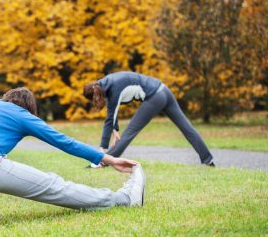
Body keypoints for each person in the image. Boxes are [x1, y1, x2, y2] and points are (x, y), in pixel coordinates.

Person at [0, 87, 146, 225]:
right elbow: (64, 142)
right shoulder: (19, 113)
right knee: (54, 186)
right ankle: (124, 199)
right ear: (28, 109)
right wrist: (109, 158)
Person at [83, 71, 214, 168]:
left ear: (96, 95)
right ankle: (208, 160)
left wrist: (102, 149)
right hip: (164, 90)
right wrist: (115, 129)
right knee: (187, 128)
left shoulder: (113, 90)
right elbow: (113, 112)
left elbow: (109, 118)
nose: (99, 102)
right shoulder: (108, 81)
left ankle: (102, 163)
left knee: (128, 133)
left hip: (154, 97)